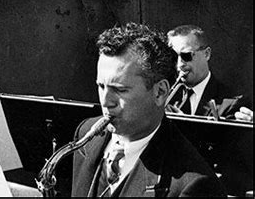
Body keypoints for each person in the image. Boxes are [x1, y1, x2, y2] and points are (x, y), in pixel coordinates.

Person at [72, 22, 226, 197]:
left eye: (120, 89)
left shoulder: (195, 185)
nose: (106, 102)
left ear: (160, 92)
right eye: (101, 86)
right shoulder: (85, 134)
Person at [166, 25, 249, 118]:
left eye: (186, 56)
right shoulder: (166, 96)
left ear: (206, 54)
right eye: (174, 57)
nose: (179, 65)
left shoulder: (230, 102)